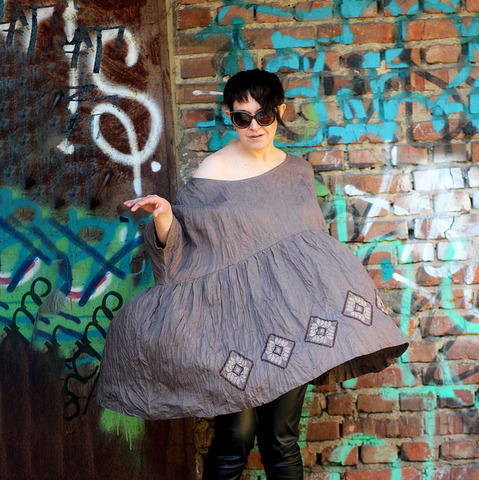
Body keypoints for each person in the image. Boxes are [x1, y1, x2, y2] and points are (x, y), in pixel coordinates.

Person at [97, 69, 408, 480]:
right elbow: (183, 257)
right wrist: (166, 215)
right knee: (235, 437)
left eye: (264, 115)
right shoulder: (213, 172)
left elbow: (314, 253)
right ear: (230, 117)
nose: (254, 126)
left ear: (281, 111)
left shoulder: (297, 173)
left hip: (291, 327)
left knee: (281, 438)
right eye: (242, 118)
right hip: (235, 330)